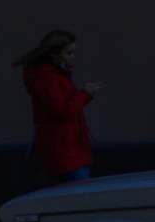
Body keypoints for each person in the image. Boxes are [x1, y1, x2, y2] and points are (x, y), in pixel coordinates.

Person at [14, 29, 100, 182]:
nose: (73, 57)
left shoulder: (57, 75)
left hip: (72, 146)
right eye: (68, 53)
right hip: (62, 149)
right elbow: (60, 112)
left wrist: (85, 93)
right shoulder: (47, 77)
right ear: (54, 54)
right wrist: (85, 94)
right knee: (80, 197)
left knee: (82, 196)